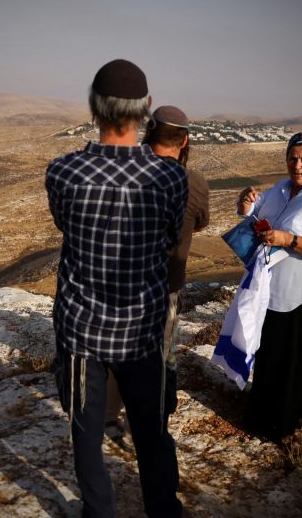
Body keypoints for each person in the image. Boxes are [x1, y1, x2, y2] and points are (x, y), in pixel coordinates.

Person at [46, 59, 187, 517]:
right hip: (142, 331)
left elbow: (66, 227)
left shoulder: (63, 172)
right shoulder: (170, 177)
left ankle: (98, 511)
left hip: (81, 330)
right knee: (151, 432)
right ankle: (163, 509)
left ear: (94, 106)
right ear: (146, 108)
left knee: (86, 436)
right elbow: (170, 238)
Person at [105, 105, 210, 430]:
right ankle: (151, 420)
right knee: (161, 353)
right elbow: (200, 222)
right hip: (165, 285)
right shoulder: (194, 183)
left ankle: (108, 414)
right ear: (184, 141)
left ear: (148, 134)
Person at [235, 132, 302, 441]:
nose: (298, 165)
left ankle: (288, 428)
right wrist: (246, 205)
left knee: (293, 365)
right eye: (292, 159)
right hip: (271, 290)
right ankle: (260, 420)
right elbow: (256, 217)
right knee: (270, 358)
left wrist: (288, 239)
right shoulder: (279, 190)